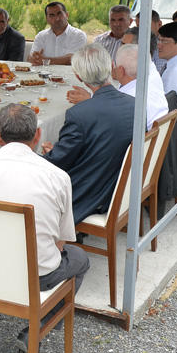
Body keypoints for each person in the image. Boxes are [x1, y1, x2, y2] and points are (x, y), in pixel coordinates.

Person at [0, 103, 87, 347]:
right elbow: (62, 239)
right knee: (79, 258)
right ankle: (37, 329)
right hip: (35, 275)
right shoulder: (58, 176)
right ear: (37, 136)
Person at [41, 45, 134, 224]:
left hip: (88, 192)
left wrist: (49, 153)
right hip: (118, 186)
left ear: (78, 76)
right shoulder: (135, 104)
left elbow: (58, 162)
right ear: (111, 66)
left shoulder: (79, 114)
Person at [113, 44, 169, 129]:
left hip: (137, 140)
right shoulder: (153, 77)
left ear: (121, 70)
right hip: (156, 136)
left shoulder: (122, 101)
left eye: (115, 65)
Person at [28, 1, 87, 66]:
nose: (57, 18)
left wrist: (45, 61)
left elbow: (72, 59)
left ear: (67, 15)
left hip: (69, 75)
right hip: (44, 75)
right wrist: (34, 58)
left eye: (59, 14)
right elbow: (31, 57)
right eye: (52, 15)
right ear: (47, 19)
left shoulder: (79, 35)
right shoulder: (41, 36)